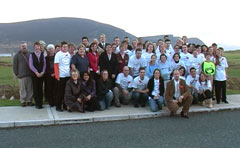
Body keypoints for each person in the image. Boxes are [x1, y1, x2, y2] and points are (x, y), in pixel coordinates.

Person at [13, 41, 34, 107]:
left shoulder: (30, 54)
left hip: (30, 75)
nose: (24, 47)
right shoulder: (17, 55)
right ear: (20, 47)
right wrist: (17, 73)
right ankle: (23, 101)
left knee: (30, 89)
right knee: (22, 89)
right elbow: (15, 65)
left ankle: (29, 101)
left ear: (26, 46)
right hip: (21, 76)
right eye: (23, 46)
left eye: (25, 46)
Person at [54, 41, 71, 112]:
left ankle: (64, 105)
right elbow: (56, 66)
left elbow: (69, 65)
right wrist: (57, 76)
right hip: (61, 76)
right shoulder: (58, 54)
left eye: (66, 47)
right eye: (64, 47)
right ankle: (58, 106)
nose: (65, 48)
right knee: (60, 92)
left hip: (68, 75)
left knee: (66, 92)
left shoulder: (68, 54)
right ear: (61, 47)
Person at [29, 42, 46, 109]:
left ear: (40, 47)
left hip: (41, 75)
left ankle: (41, 103)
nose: (37, 48)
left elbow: (44, 64)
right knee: (35, 89)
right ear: (34, 47)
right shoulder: (31, 55)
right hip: (34, 75)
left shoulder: (42, 54)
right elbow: (31, 65)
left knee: (40, 89)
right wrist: (36, 72)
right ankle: (37, 103)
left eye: (38, 46)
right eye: (36, 46)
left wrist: (43, 72)